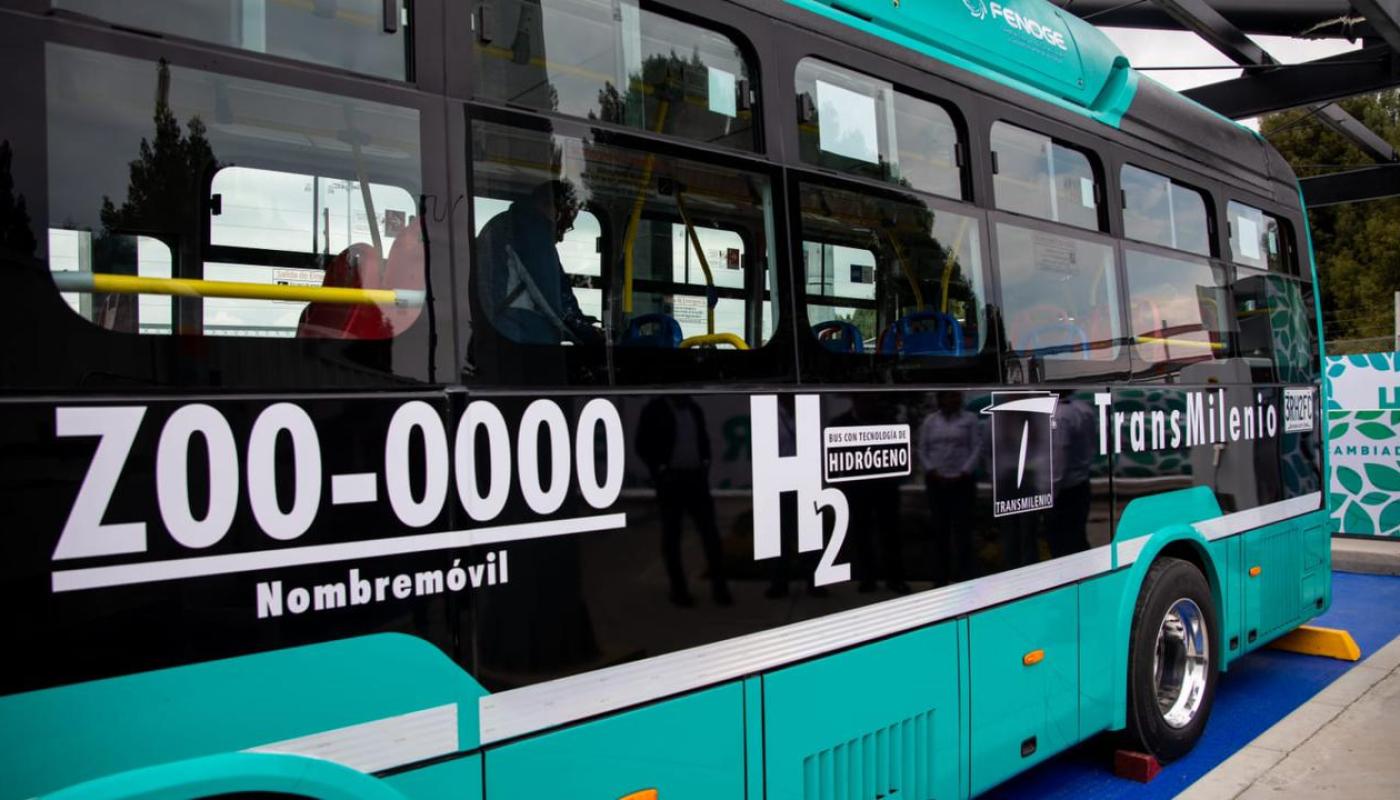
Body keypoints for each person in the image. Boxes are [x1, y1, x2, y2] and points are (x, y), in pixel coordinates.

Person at [475, 179, 600, 345]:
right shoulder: (530, 228)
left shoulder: (507, 223)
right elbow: (555, 301)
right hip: (518, 338)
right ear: (555, 208)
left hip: (499, 335)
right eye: (564, 223)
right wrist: (590, 335)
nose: (561, 237)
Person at [637, 395, 733, 607]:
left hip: (695, 478)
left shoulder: (694, 409)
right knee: (672, 536)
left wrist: (705, 462)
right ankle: (679, 590)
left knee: (710, 534)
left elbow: (702, 439)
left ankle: (720, 587)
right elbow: (642, 444)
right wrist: (659, 470)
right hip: (670, 480)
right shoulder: (655, 410)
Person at [918, 390, 982, 584]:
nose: (953, 400)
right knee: (940, 531)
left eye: (956, 396)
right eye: (949, 396)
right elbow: (922, 449)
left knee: (963, 532)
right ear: (941, 399)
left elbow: (977, 447)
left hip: (962, 481)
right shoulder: (930, 421)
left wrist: (964, 472)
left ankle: (965, 577)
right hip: (937, 481)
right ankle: (941, 578)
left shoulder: (970, 420)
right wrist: (932, 471)